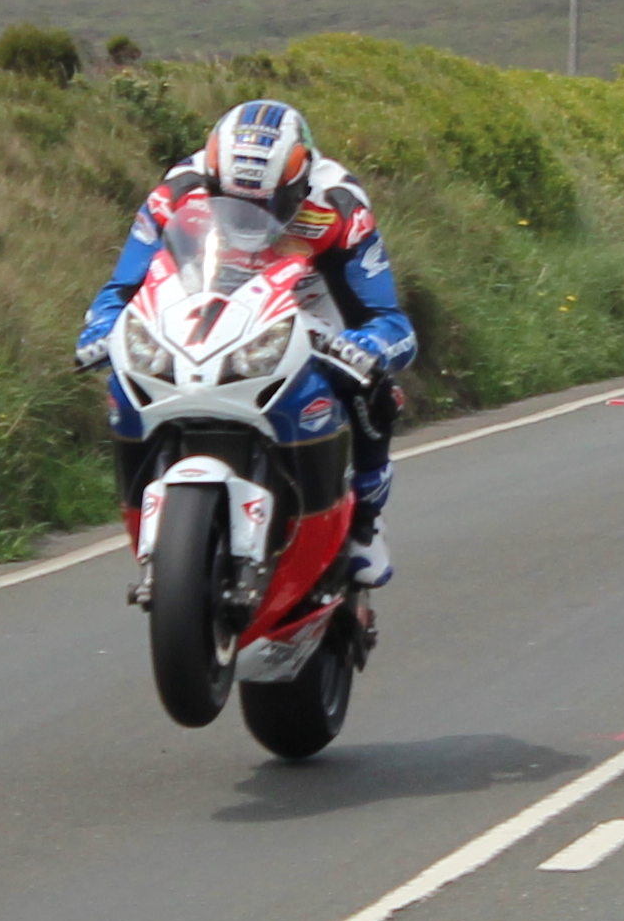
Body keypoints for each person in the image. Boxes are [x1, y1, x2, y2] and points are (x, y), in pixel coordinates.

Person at [76, 97, 418, 585]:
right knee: (125, 377)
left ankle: (364, 519)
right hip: (204, 304)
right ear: (212, 176)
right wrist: (99, 329)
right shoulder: (175, 191)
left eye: (266, 204)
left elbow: (391, 321)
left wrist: (367, 346)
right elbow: (122, 286)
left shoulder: (340, 205)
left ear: (298, 182)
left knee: (372, 390)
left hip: (309, 311)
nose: (247, 216)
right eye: (231, 198)